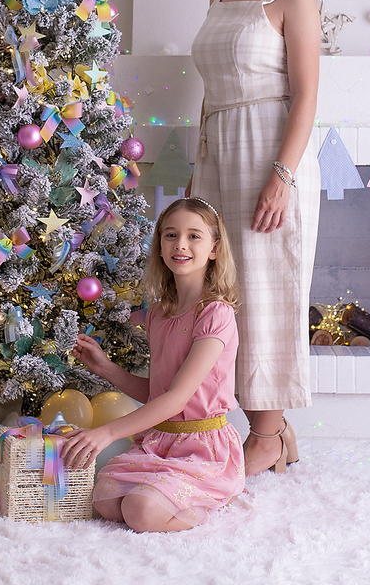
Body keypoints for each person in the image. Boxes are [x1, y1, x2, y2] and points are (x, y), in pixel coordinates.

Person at [188, 0, 329, 476]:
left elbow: (306, 96)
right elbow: (210, 92)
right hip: (219, 150)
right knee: (222, 291)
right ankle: (263, 428)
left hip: (271, 152)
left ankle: (267, 433)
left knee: (267, 294)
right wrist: (198, 169)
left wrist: (282, 175)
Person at [63, 197, 244, 533]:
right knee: (106, 502)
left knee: (141, 512)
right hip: (160, 441)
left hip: (203, 446)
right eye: (171, 235)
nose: (181, 244)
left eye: (194, 236)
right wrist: (106, 369)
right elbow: (158, 392)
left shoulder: (215, 314)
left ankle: (214, 496)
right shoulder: (159, 313)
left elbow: (177, 398)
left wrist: (107, 433)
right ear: (159, 245)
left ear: (214, 248)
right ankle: (167, 489)